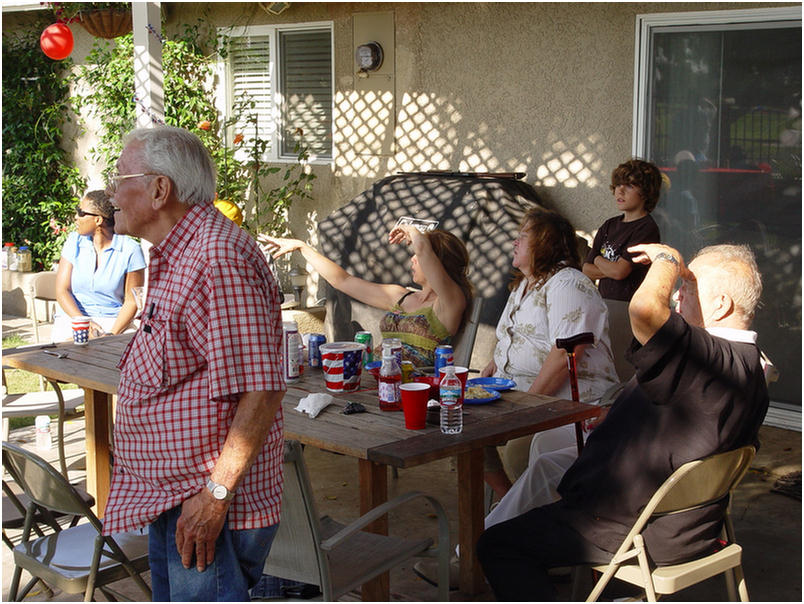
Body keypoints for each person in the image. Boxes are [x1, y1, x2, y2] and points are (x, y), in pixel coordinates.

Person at [477, 243, 769, 601]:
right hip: (689, 524)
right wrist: (613, 417)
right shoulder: (754, 365)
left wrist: (667, 261)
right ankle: (489, 549)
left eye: (687, 285)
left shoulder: (705, 357)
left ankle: (483, 554)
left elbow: (646, 310)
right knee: (549, 464)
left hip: (631, 526)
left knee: (497, 546)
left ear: (721, 305)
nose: (676, 295)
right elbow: (683, 420)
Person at [101, 126, 286, 602]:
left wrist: (215, 496)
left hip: (206, 503)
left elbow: (262, 390)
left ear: (160, 189)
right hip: (176, 495)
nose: (110, 192)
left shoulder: (217, 256)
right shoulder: (176, 251)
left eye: (120, 177)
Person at [480, 207, 619, 500]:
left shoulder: (568, 282)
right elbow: (517, 336)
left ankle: (518, 511)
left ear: (545, 241)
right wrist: (496, 363)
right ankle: (511, 502)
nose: (514, 242)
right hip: (516, 394)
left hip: (568, 404)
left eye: (523, 236)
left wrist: (526, 410)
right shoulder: (522, 286)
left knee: (517, 446)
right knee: (461, 427)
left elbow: (565, 355)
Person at [262, 225, 472, 367]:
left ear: (439, 264)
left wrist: (412, 229)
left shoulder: (450, 302)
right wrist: (303, 247)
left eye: (417, 255)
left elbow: (424, 249)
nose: (413, 259)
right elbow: (343, 281)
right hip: (374, 377)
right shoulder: (401, 297)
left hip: (413, 387)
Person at [52, 190, 145, 341]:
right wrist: (83, 323)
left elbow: (131, 300)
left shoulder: (130, 250)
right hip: (73, 317)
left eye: (81, 212)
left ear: (98, 220)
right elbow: (62, 290)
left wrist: (110, 335)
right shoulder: (73, 241)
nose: (76, 217)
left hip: (113, 322)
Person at [582, 159, 662, 301]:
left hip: (630, 306)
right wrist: (610, 268)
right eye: (618, 185)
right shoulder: (609, 225)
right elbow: (587, 269)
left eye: (630, 185)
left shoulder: (646, 228)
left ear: (645, 192)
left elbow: (620, 272)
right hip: (605, 302)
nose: (620, 190)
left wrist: (597, 258)